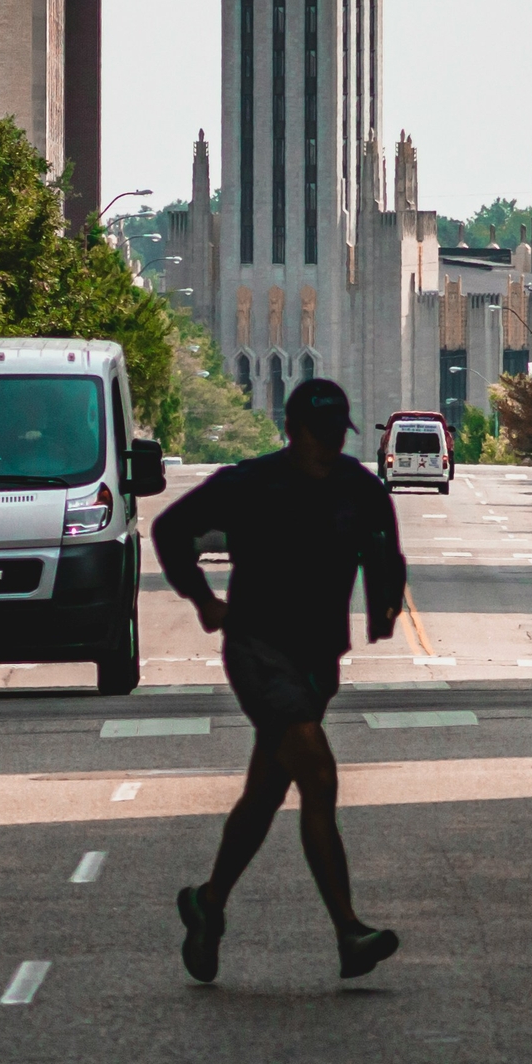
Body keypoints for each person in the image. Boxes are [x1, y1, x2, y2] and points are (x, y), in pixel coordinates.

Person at [152, 375, 407, 985]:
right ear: (292, 430)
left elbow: (384, 550)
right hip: (257, 648)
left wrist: (384, 609)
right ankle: (348, 931)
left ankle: (207, 904)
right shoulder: (250, 483)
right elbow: (168, 531)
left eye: (336, 436)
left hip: (318, 659)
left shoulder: (360, 487)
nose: (328, 448)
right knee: (318, 774)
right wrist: (202, 599)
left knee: (266, 794)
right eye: (318, 436)